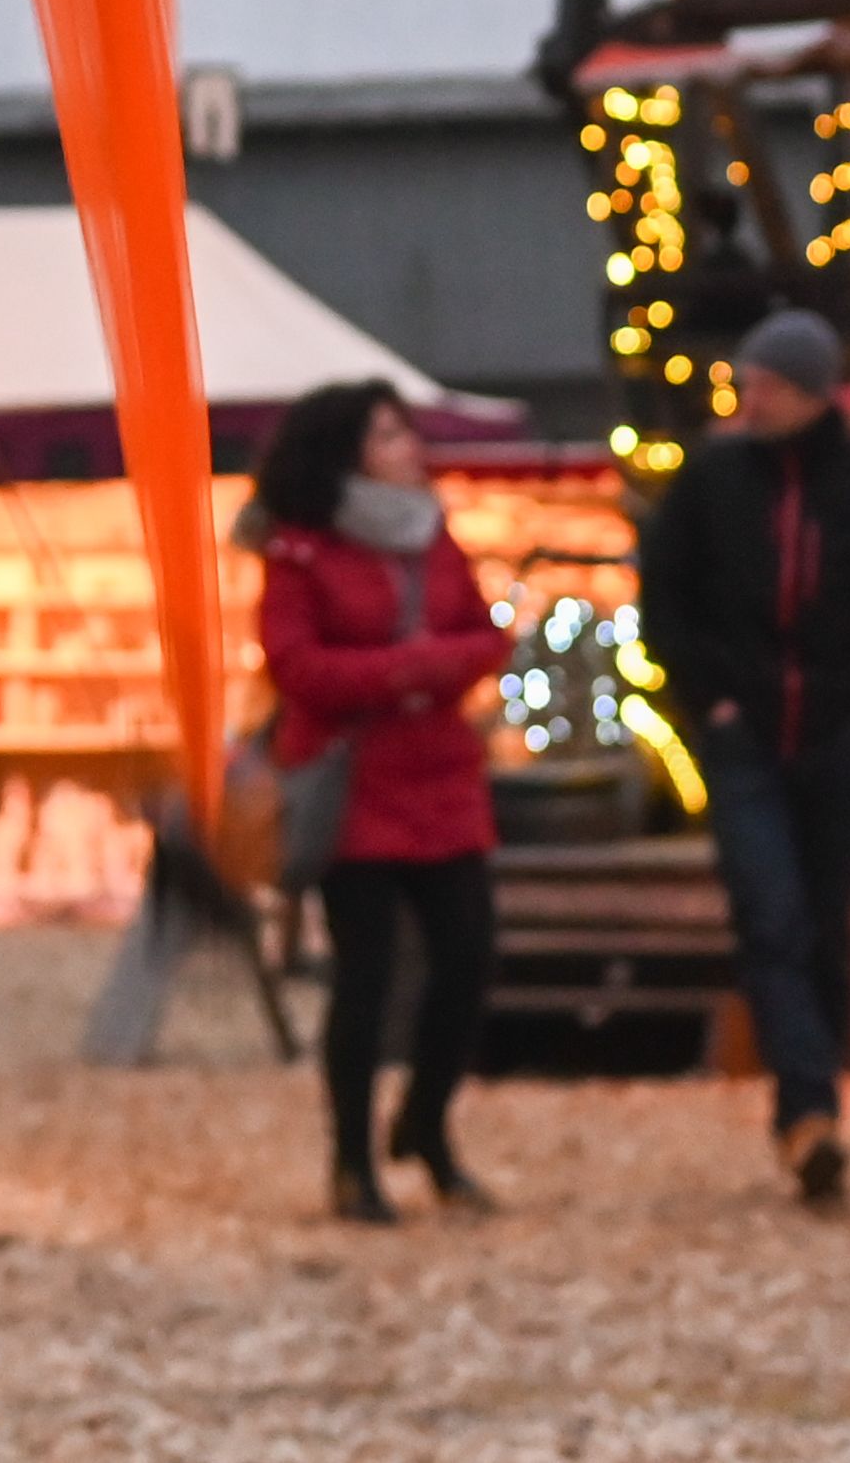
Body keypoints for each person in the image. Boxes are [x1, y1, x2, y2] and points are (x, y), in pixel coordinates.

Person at [633, 307, 850, 1213]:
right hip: (743, 739)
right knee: (768, 915)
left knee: (823, 921)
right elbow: (667, 597)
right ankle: (807, 1109)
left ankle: (813, 1103)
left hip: (832, 738)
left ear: (810, 393)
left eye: (765, 384)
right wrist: (708, 698)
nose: (748, 399)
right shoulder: (709, 485)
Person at [251, 378, 508, 1225]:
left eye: (405, 433)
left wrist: (428, 668)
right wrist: (407, 671)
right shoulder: (302, 553)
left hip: (441, 776)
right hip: (353, 786)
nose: (408, 450)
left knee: (466, 960)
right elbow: (297, 668)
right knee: (364, 976)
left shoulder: (433, 538)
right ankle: (352, 1161)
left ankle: (426, 1123)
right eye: (388, 436)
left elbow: (481, 633)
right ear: (346, 452)